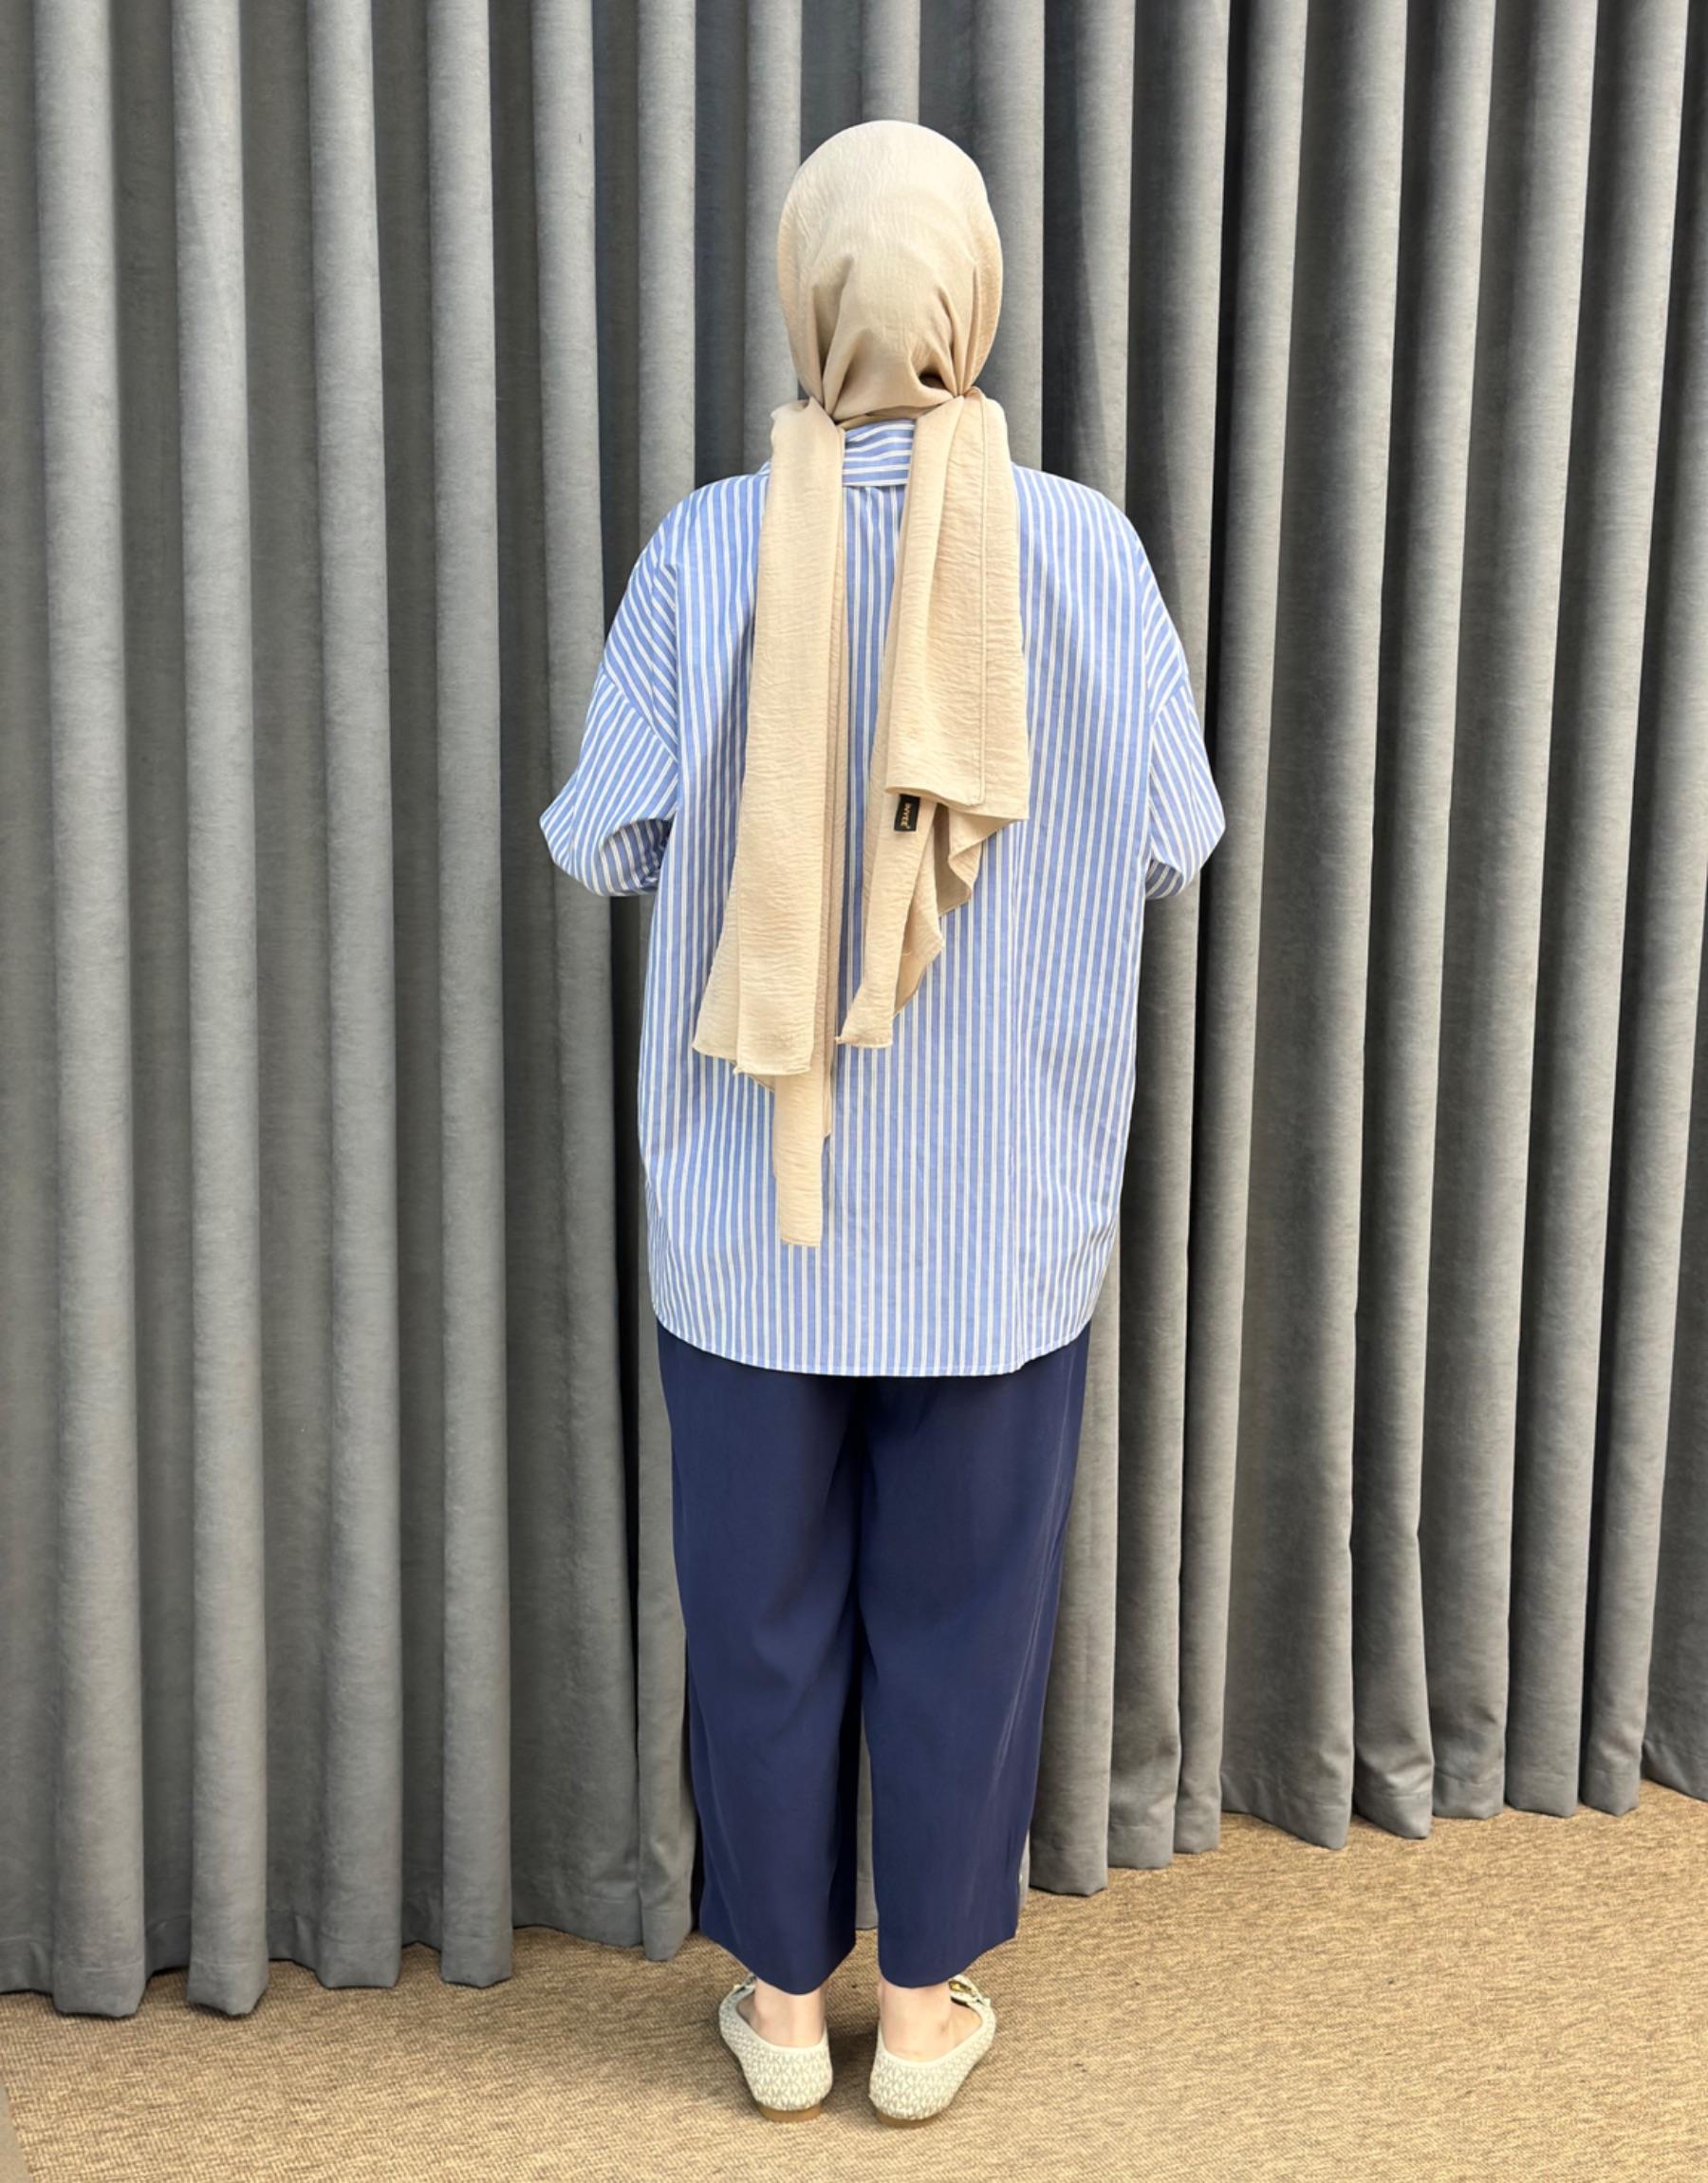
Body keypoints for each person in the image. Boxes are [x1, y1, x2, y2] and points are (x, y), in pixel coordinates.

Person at [540, 117, 1225, 2126]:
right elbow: (1175, 836)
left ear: (804, 289)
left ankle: (778, 2002)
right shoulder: (1087, 553)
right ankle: (919, 2013)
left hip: (753, 1208)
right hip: (1004, 1210)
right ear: (970, 294)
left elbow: (602, 842)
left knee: (756, 1616)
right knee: (963, 1614)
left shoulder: (704, 549)